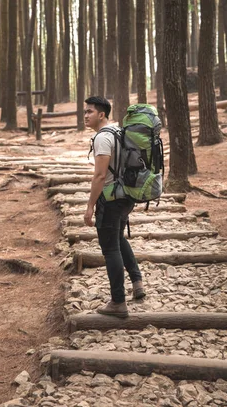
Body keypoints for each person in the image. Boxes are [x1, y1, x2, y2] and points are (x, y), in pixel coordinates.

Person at [84, 96, 145, 318]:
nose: (85, 116)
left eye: (89, 112)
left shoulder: (102, 138)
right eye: (85, 112)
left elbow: (100, 175)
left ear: (102, 115)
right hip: (126, 196)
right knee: (118, 239)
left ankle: (118, 302)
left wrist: (90, 206)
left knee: (110, 248)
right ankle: (137, 282)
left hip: (110, 199)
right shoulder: (119, 131)